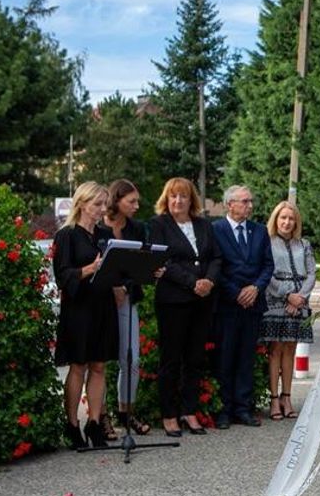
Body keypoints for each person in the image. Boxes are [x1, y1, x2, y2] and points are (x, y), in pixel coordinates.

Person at [147, 178, 221, 436]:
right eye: (173, 196)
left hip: (202, 301)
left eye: (183, 196)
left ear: (192, 200)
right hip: (173, 300)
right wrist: (193, 282)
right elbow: (164, 261)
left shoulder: (204, 225)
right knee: (171, 359)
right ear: (166, 199)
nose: (178, 201)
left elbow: (216, 257)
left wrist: (209, 280)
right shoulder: (158, 225)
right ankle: (169, 415)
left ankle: (190, 411)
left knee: (195, 358)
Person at [53, 182, 117, 449]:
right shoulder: (67, 235)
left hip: (103, 304)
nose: (102, 209)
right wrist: (90, 269)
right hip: (79, 307)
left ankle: (94, 422)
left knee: (99, 365)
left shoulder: (104, 234)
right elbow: (63, 276)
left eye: (105, 204)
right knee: (78, 365)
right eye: (97, 204)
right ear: (82, 204)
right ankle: (72, 424)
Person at [211, 185, 273, 428]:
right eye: (244, 201)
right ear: (230, 204)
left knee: (246, 357)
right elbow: (216, 266)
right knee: (225, 357)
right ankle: (224, 410)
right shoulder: (216, 230)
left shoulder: (259, 231)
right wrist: (236, 292)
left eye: (250, 201)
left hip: (253, 304)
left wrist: (255, 288)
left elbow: (268, 265)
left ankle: (243, 408)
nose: (249, 205)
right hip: (227, 303)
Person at [98, 178, 152, 437]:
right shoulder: (97, 227)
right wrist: (112, 286)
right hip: (99, 300)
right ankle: (101, 416)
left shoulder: (137, 228)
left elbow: (139, 267)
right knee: (99, 362)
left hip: (127, 298)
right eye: (131, 201)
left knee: (131, 359)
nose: (136, 205)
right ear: (116, 200)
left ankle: (126, 411)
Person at [261, 201, 315, 420]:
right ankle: (274, 399)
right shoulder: (267, 243)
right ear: (276, 219)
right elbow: (266, 273)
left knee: (291, 349)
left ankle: (287, 397)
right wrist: (286, 295)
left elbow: (311, 273)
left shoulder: (304, 244)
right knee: (275, 350)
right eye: (283, 217)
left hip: (299, 301)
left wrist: (300, 297)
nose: (287, 222)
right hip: (276, 300)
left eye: (291, 218)